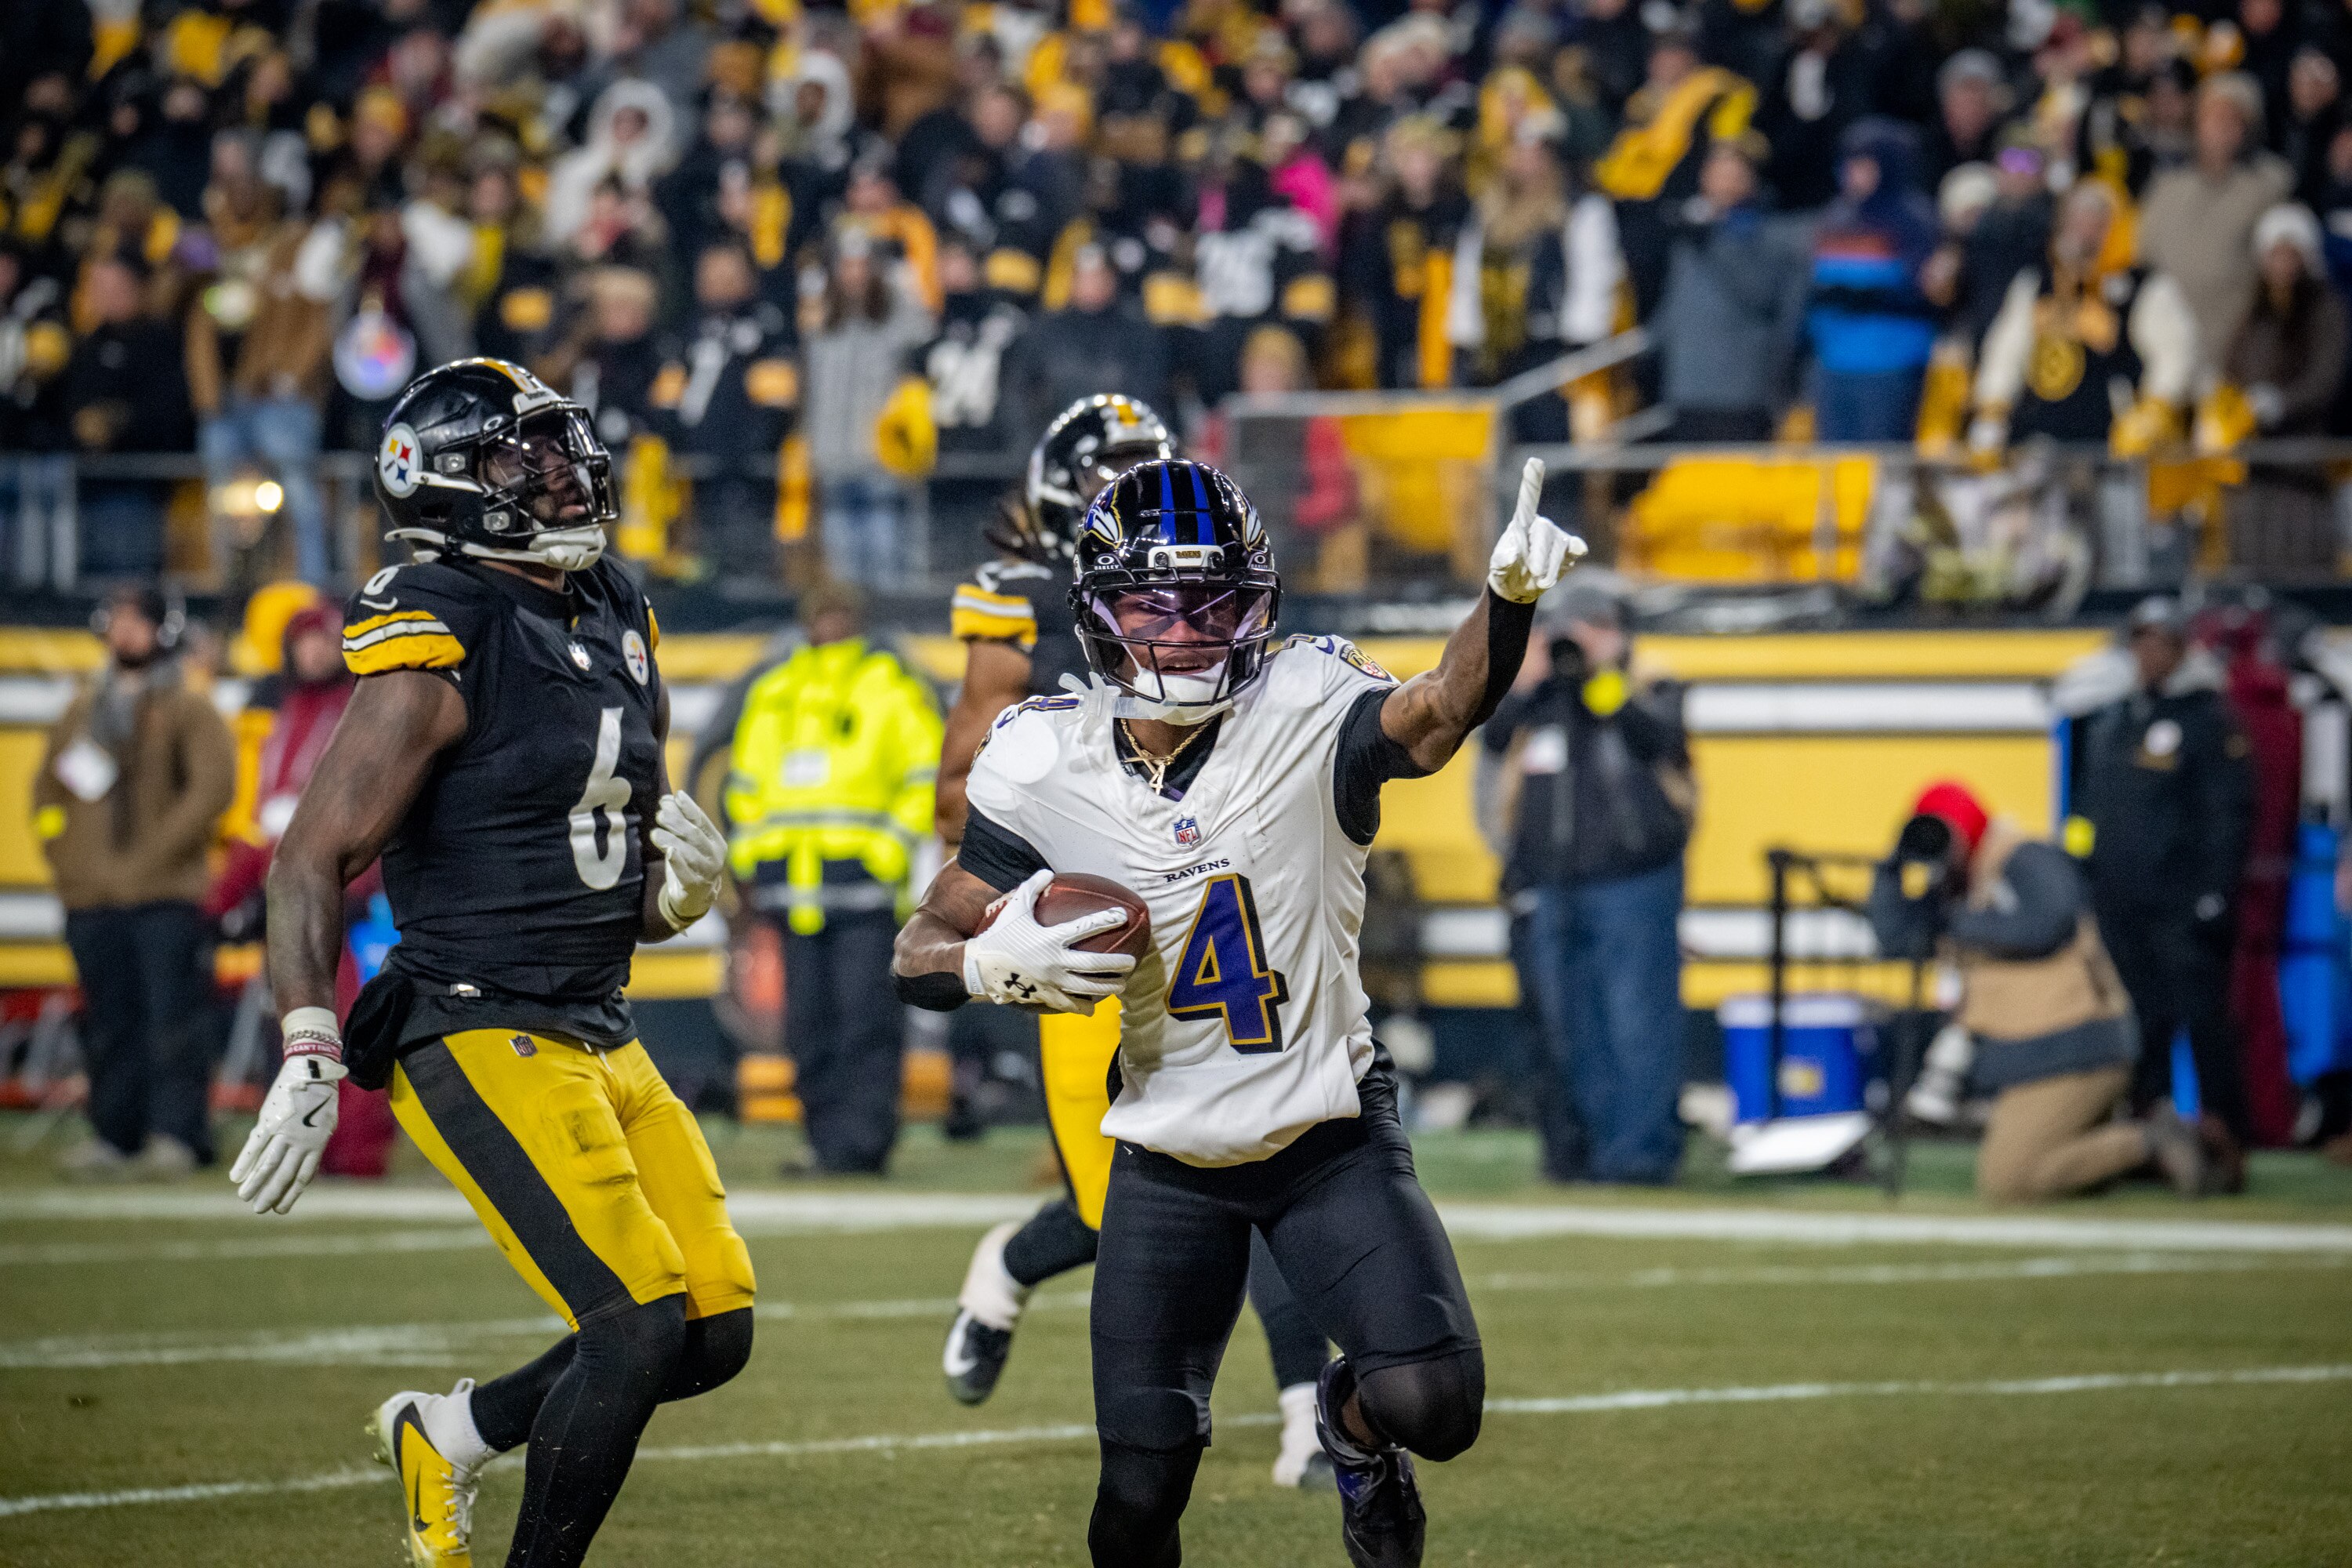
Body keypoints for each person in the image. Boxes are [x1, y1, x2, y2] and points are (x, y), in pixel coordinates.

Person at [895, 454, 1582, 1566]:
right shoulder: (1041, 759)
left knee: (1435, 1406)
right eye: (1152, 608)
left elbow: (1440, 710)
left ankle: (1352, 1435)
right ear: (1099, 617)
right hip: (1169, 1157)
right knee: (1139, 1492)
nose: (1184, 635)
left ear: (1257, 611)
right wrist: (983, 967)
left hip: (1328, 1136)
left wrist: (1503, 604)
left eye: (1214, 605)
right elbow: (922, 943)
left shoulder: (1306, 703)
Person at [233, 358, 752, 1567]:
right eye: (530, 457)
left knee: (711, 1331)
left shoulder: (615, 603)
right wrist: (310, 1045)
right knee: (631, 1327)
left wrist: (672, 897)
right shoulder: (442, 622)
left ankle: (449, 1430)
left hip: (595, 1017)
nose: (569, 473)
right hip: (471, 1022)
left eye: (567, 447)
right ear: (451, 486)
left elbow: (590, 862)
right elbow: (309, 859)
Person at [933, 397, 1338, 1491]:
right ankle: (1007, 1268)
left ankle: (1312, 1405)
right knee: (1132, 1207)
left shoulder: (1209, 599)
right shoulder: (1023, 598)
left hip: (1218, 898)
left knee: (1262, 1152)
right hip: (1095, 919)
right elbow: (959, 786)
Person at [1869, 782, 2207, 1200]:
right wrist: (1892, 868)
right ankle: (2144, 1154)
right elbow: (1897, 941)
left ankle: (2148, 1142)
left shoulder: (2024, 857)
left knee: (2009, 1181)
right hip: (2035, 1056)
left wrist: (1956, 923)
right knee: (2031, 1170)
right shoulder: (1957, 888)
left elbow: (2048, 921)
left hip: (2075, 1046)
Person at [722, 582, 942, 1174]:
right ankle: (824, 1142)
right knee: (807, 1027)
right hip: (792, 891)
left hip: (864, 892)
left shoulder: (889, 689)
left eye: (841, 613)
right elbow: (745, 784)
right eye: (821, 613)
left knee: (866, 1022)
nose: (830, 623)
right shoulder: (776, 692)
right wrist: (748, 864)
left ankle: (864, 1145)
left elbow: (925, 772)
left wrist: (888, 850)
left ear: (859, 620)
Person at [1479, 586, 1693, 1184]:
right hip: (1554, 884)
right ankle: (1593, 1152)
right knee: (1574, 1023)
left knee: (1637, 1020)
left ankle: (1642, 1156)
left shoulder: (1652, 683)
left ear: (1621, 632)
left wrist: (1598, 676)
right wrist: (1533, 681)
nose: (1576, 637)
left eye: (1592, 625)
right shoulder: (1545, 696)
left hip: (1635, 881)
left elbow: (1657, 739)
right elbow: (1494, 738)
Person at [34, 585, 235, 1178]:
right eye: (117, 621)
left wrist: (155, 853)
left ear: (161, 631)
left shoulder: (187, 707)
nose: (125, 633)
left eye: (136, 622)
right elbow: (48, 792)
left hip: (166, 894)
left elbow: (211, 791)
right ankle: (114, 1135)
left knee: (173, 1020)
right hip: (92, 895)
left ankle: (177, 1133)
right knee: (107, 1023)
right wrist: (61, 850)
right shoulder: (82, 709)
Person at [205, 601, 397, 1178]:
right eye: (305, 639)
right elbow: (266, 816)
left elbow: (376, 807)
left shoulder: (359, 711)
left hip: (338, 892)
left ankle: (357, 1149)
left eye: (326, 640)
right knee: (294, 1027)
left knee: (343, 1022)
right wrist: (226, 897)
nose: (315, 651)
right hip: (288, 892)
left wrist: (356, 884)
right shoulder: (283, 714)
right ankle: (307, 1146)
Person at [2071, 597, 2258, 1189]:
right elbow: (2095, 810)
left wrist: (2212, 893)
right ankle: (2146, 1140)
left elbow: (2228, 815)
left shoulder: (2207, 720)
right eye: (2140, 642)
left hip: (2180, 904)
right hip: (2122, 900)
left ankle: (2225, 1135)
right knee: (2138, 1023)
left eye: (2159, 643)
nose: (2147, 654)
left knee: (2202, 1020)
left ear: (2180, 650)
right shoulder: (2117, 719)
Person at [1968, 180, 2197, 453]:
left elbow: (2174, 352)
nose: (2084, 233)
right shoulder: (2038, 281)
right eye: (2076, 221)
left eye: (2096, 223)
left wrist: (2156, 408)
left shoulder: (2142, 285)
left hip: (2113, 439)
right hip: (2039, 434)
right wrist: (1992, 408)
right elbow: (2007, 346)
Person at [2137, 72, 2294, 380]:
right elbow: (2146, 258)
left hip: (2235, 349)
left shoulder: (2270, 186)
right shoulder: (2166, 187)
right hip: (2168, 350)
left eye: (2233, 119)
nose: (2221, 128)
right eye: (2213, 117)